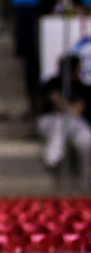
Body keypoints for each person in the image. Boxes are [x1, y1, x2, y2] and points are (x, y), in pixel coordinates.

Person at [38, 55, 91, 190]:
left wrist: (65, 105)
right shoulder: (53, 82)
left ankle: (85, 181)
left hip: (76, 124)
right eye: (78, 68)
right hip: (51, 121)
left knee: (86, 140)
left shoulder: (83, 87)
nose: (80, 71)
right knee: (62, 121)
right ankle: (53, 156)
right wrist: (69, 107)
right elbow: (56, 104)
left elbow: (77, 110)